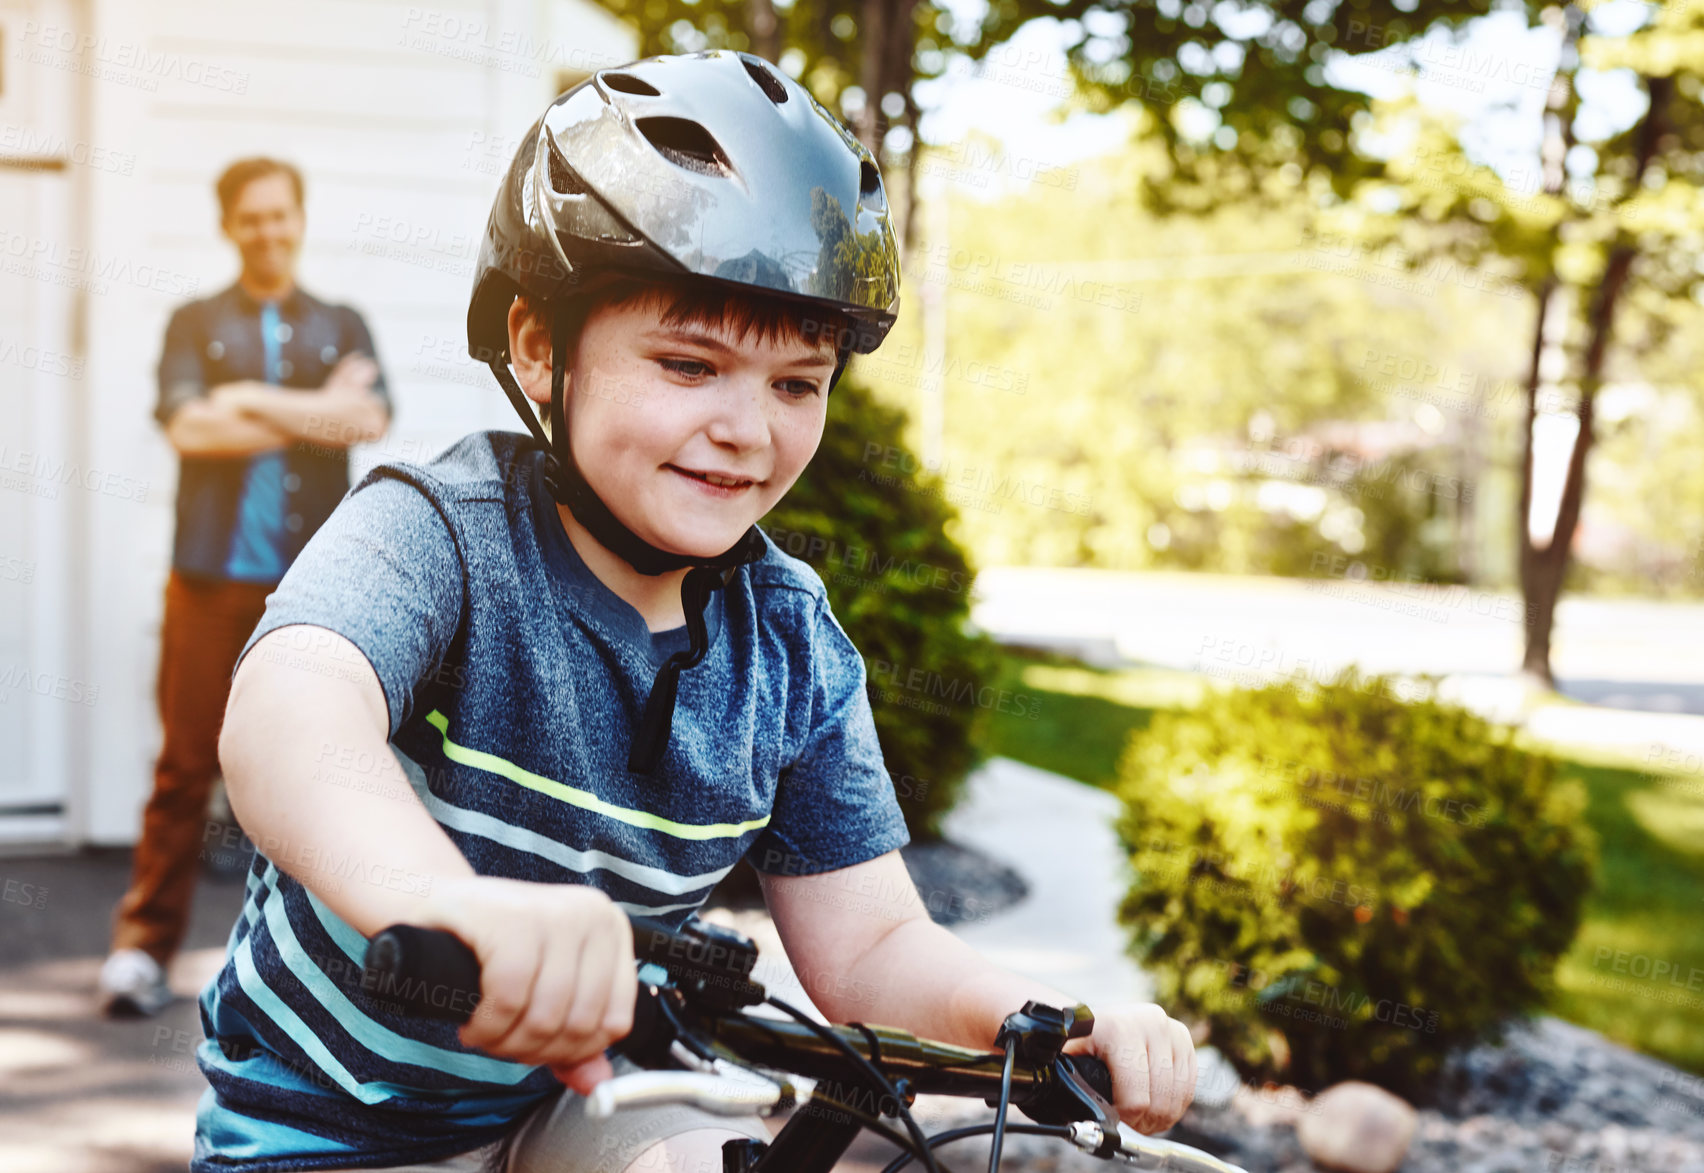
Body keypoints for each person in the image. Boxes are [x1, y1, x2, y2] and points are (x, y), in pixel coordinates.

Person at [195, 53, 1196, 1173]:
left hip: (585, 1106)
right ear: (539, 345)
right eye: (688, 363)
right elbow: (290, 723)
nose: (746, 429)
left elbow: (870, 943)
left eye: (795, 384)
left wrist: (1047, 1018)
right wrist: (454, 908)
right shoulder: (441, 534)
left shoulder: (790, 642)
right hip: (322, 1131)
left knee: (704, 1155)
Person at [98, 157, 392, 1018]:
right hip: (208, 583)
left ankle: (318, 975)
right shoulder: (195, 322)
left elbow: (366, 420)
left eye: (280, 215)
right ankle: (140, 950)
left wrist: (251, 397)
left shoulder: (342, 323)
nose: (269, 231)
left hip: (315, 595)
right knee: (183, 768)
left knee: (324, 771)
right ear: (230, 227)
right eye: (251, 218)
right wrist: (310, 407)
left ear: (301, 219)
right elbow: (191, 427)